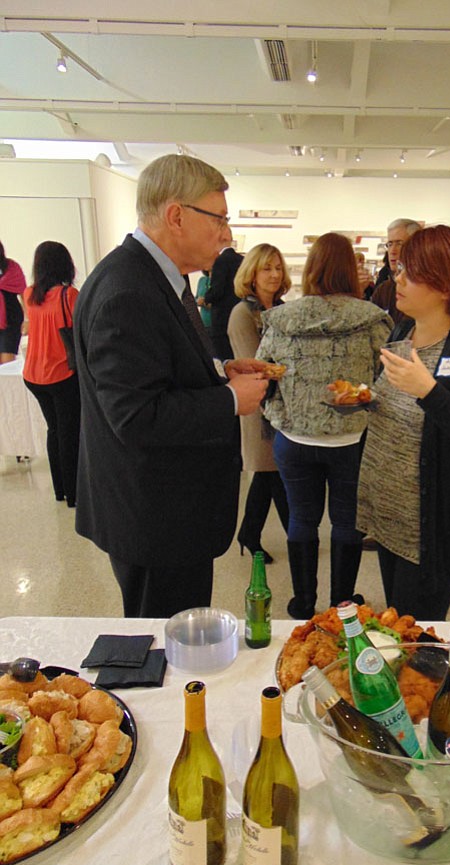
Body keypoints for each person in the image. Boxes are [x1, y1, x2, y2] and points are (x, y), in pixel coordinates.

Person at [73, 154, 269, 618]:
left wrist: (220, 370)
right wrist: (229, 399)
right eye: (218, 218)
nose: (226, 233)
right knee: (163, 646)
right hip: (156, 518)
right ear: (176, 215)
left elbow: (155, 370)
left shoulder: (153, 276)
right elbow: (136, 416)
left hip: (163, 510)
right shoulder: (128, 291)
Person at [357, 225, 450, 620]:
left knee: (417, 640)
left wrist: (430, 392)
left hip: (430, 528)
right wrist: (363, 399)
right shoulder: (404, 331)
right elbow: (394, 399)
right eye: (400, 267)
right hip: (388, 515)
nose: (397, 278)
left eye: (412, 273)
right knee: (396, 621)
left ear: (445, 286)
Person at [257, 232, 393, 619]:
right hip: (352, 439)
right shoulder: (371, 320)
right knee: (347, 522)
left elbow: (266, 372)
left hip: (295, 437)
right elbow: (386, 377)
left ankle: (302, 602)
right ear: (351, 269)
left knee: (302, 518)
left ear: (311, 269)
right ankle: (341, 604)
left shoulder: (282, 319)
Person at [229, 244, 291, 562]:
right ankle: (291, 534)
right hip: (258, 404)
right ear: (251, 273)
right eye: (267, 268)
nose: (274, 274)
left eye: (278, 268)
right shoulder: (243, 314)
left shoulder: (281, 309)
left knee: (271, 472)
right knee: (271, 470)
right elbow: (254, 364)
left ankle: (251, 534)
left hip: (283, 404)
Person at [22, 242, 80, 507]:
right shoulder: (69, 295)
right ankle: (74, 493)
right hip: (61, 372)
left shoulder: (30, 293)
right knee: (69, 432)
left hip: (33, 373)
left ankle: (59, 490)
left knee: (54, 429)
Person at [369, 218, 421, 323]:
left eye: (399, 243)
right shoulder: (383, 290)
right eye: (390, 244)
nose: (392, 251)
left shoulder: (424, 289)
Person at [208, 226, 243, 360]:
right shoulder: (242, 260)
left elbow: (217, 290)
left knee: (224, 360)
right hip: (238, 315)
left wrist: (206, 297)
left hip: (222, 319)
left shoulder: (220, 261)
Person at [0, 241, 27, 364]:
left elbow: (24, 295)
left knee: (7, 362)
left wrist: (29, 319)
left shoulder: (12, 267)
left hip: (11, 321)